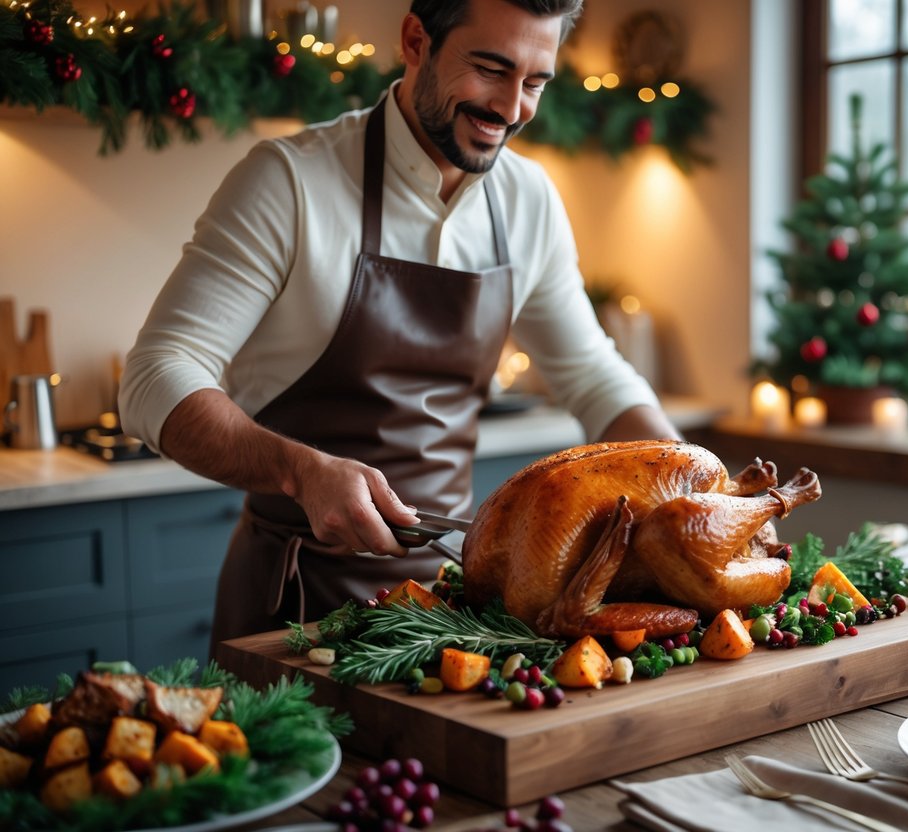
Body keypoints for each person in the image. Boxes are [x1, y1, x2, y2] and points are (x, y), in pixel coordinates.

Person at [118, 0, 680, 651]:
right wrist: (302, 472)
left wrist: (696, 489)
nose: (511, 107)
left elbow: (592, 377)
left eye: (534, 82)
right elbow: (154, 376)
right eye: (491, 69)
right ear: (417, 40)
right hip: (293, 613)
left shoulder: (528, 200)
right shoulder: (289, 182)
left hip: (447, 614)